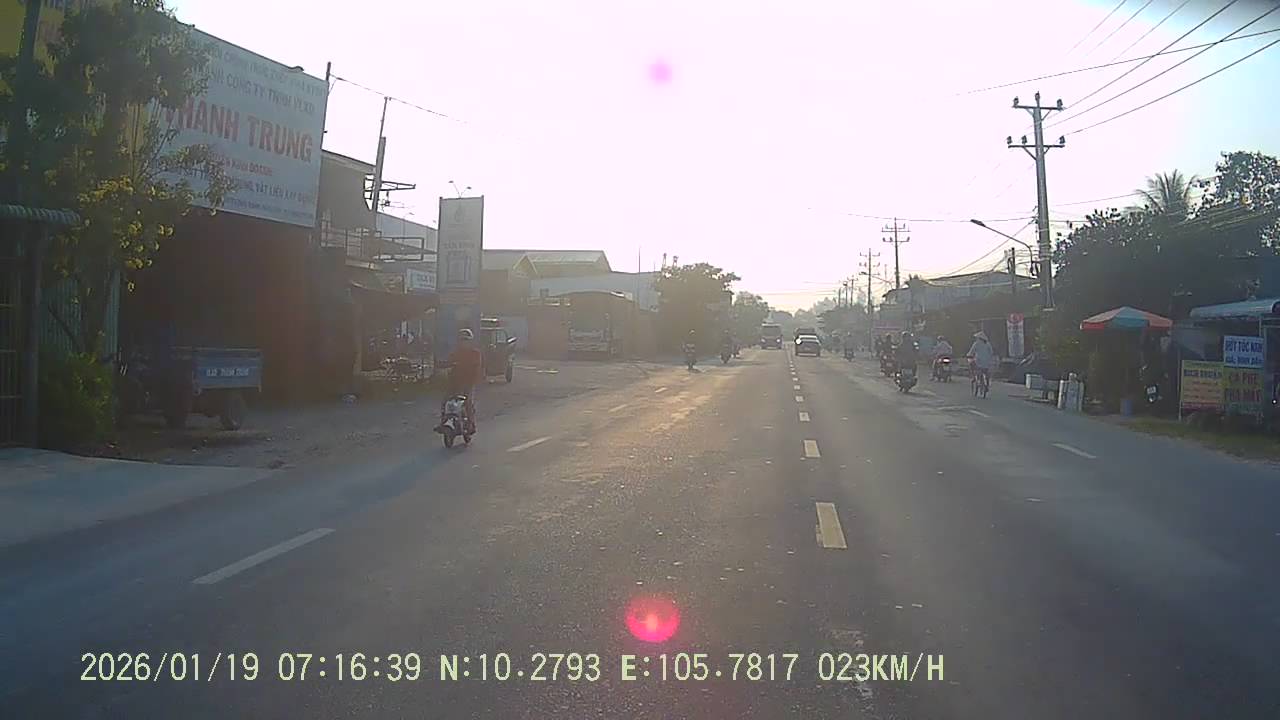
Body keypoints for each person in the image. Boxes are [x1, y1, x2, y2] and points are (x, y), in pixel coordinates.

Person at [437, 328, 484, 432]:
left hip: (469, 382)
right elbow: (448, 362)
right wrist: (443, 365)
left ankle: (471, 423)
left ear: (470, 341)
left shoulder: (475, 353)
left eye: (466, 340)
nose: (464, 343)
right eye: (462, 340)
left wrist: (471, 368)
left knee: (468, 401)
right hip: (455, 382)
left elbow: (477, 366)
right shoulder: (455, 353)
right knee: (445, 401)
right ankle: (443, 422)